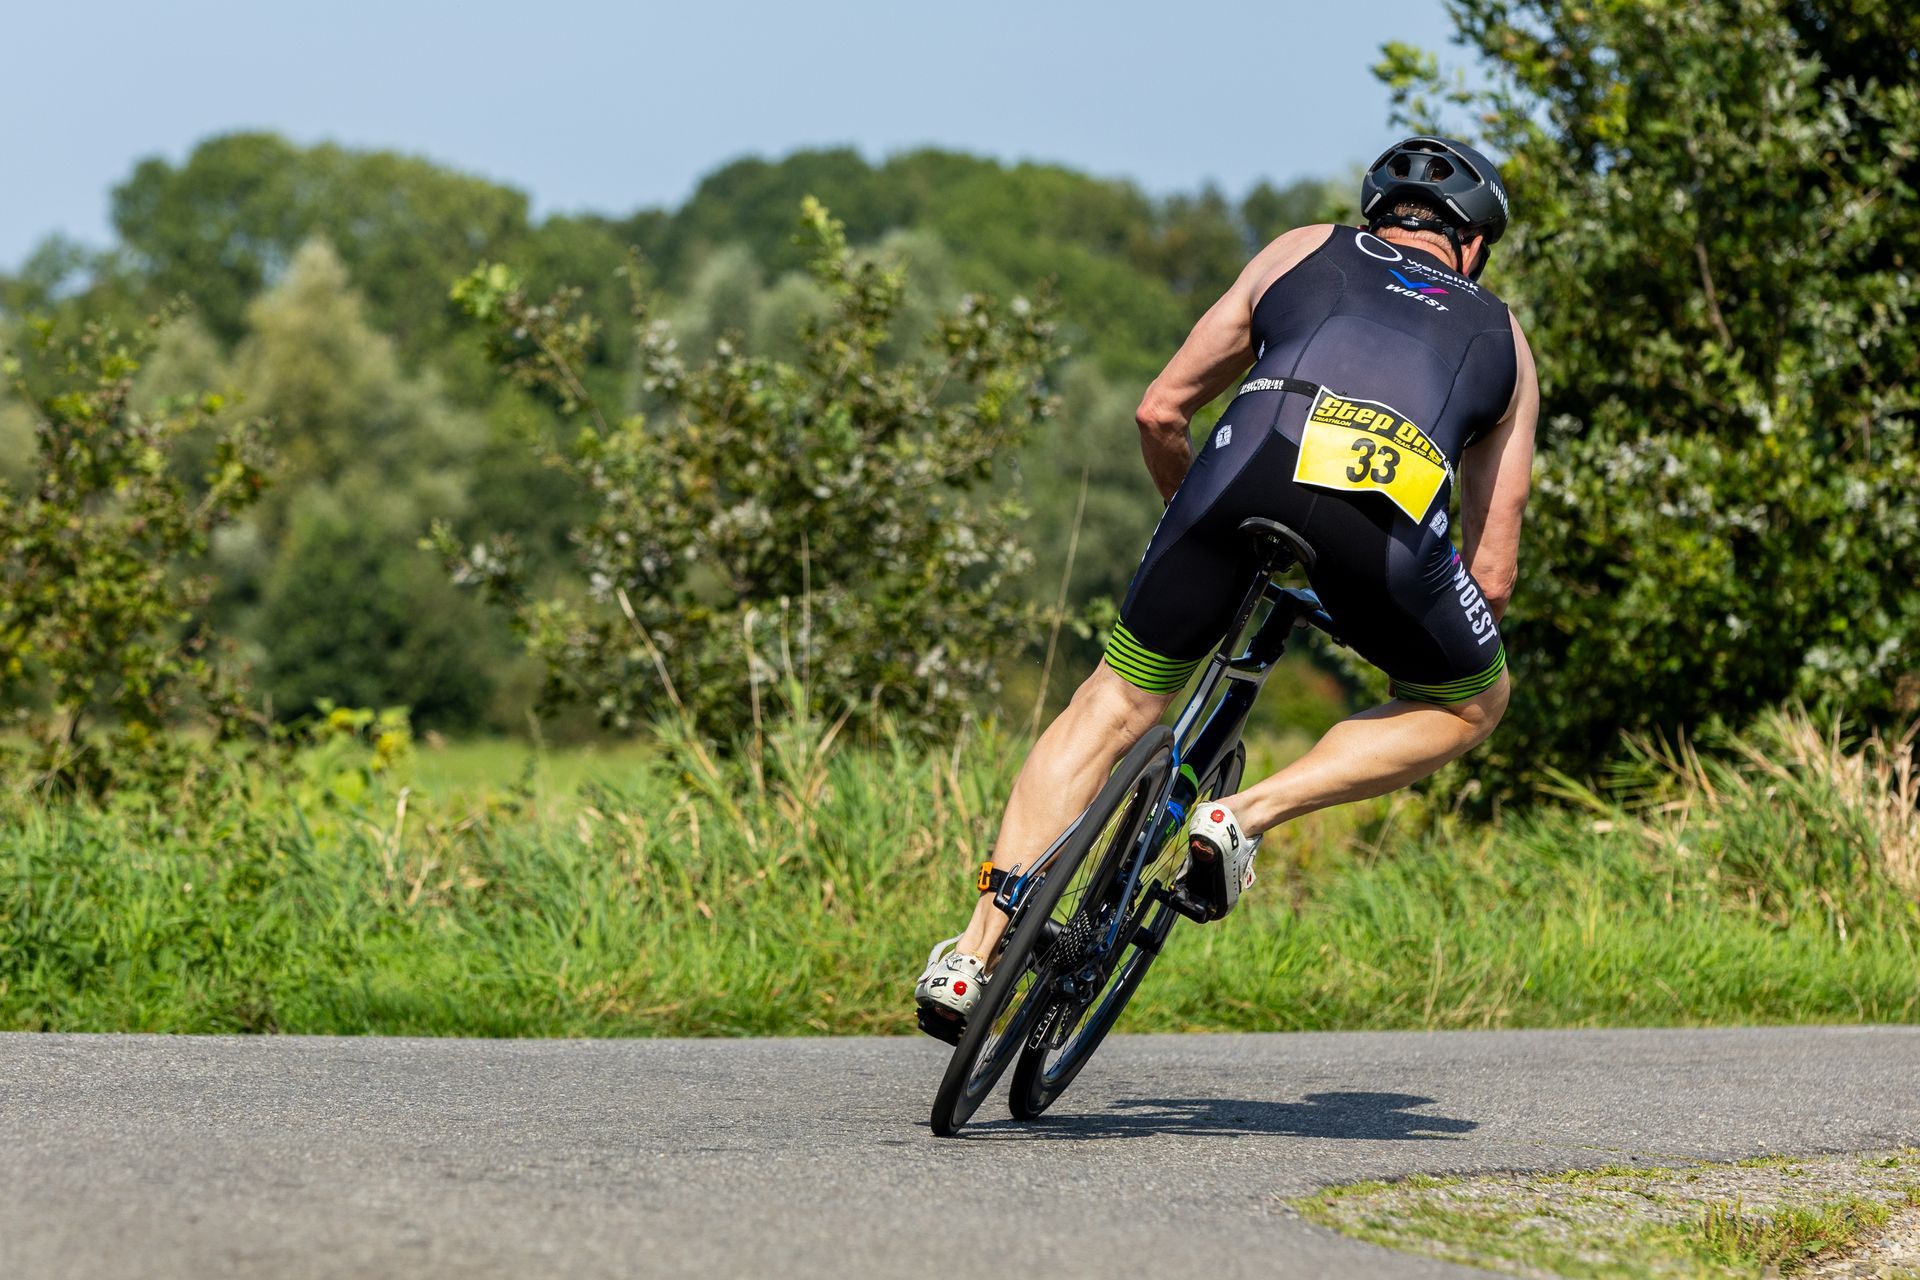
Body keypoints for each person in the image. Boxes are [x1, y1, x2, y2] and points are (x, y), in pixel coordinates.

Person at [915, 137, 1541, 1027]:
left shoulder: (1301, 247)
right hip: (1388, 518)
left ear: (1376, 216)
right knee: (1474, 701)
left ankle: (973, 957)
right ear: (1472, 247)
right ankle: (1244, 816)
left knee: (1112, 702)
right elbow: (1495, 571)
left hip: (1245, 463)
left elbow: (1160, 409)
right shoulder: (1505, 339)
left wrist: (1200, 523)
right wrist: (1411, 627)